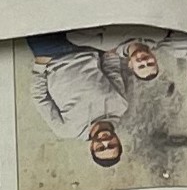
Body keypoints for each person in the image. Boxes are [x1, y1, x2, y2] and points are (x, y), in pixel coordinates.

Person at [26, 34, 134, 167]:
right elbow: (112, 66)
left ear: (91, 148)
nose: (105, 142)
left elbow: (40, 98)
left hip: (52, 56)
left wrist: (40, 64)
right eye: (111, 145)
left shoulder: (67, 130)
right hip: (86, 45)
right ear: (118, 141)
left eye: (100, 148)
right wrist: (107, 41)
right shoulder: (120, 106)